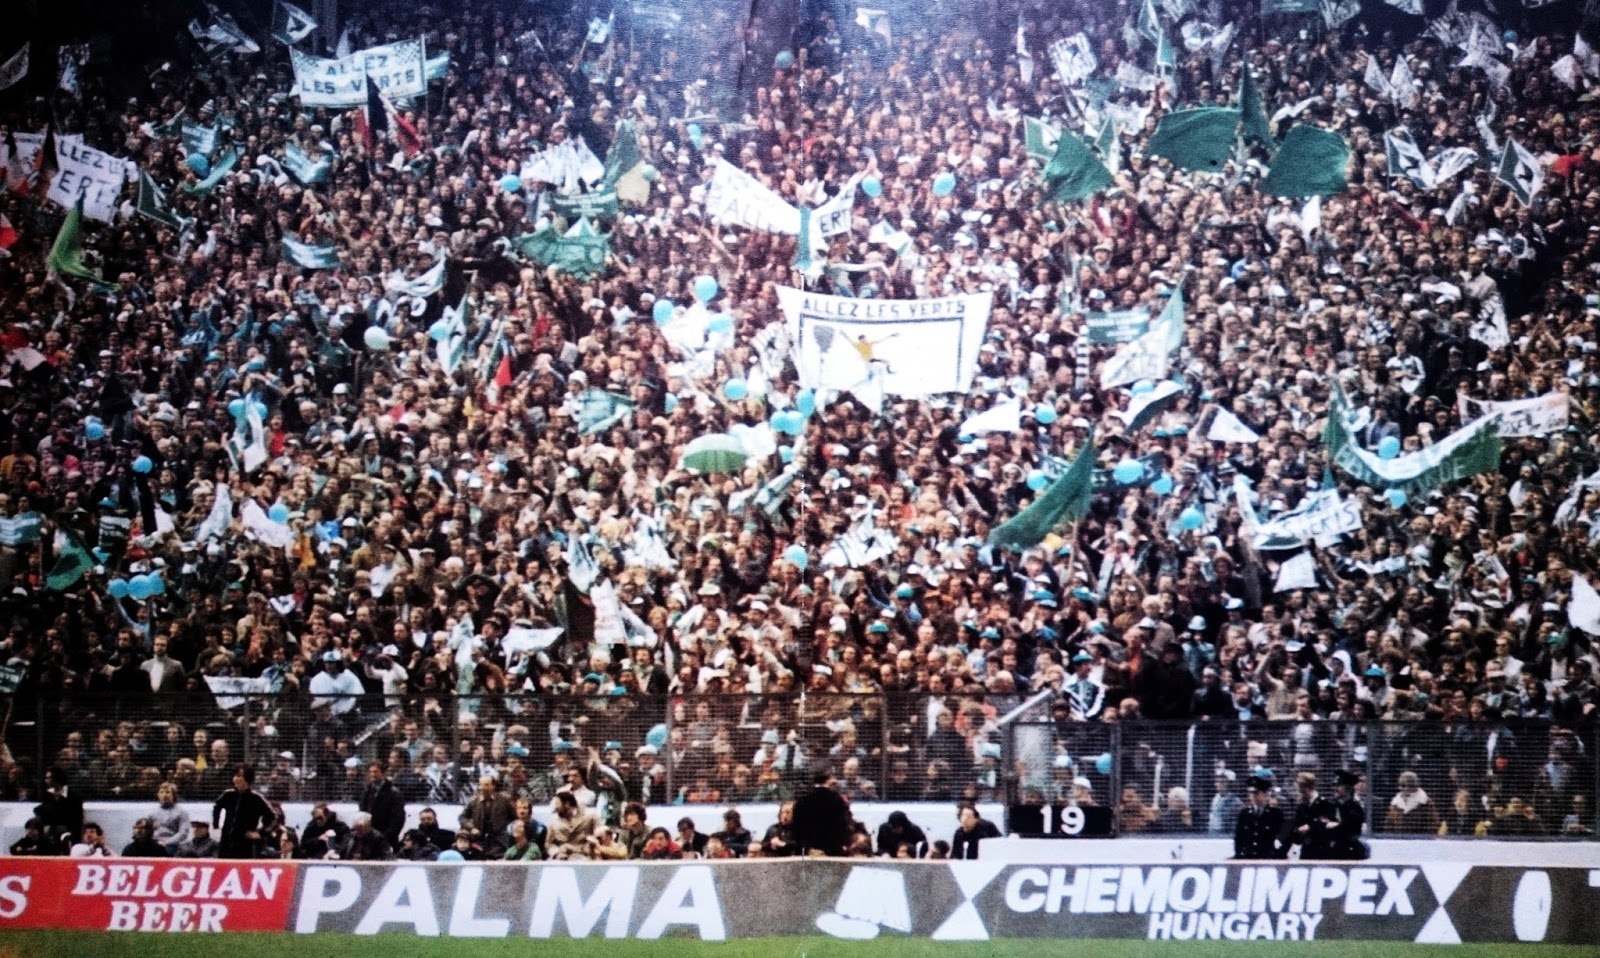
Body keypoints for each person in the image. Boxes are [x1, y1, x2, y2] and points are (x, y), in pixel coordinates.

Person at [212, 764, 276, 860]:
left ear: (247, 778)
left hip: (245, 844)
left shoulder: (256, 798)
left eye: (239, 776)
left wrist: (261, 833)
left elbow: (273, 817)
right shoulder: (228, 795)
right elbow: (216, 808)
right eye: (235, 776)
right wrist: (216, 826)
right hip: (226, 842)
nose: (235, 779)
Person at [790, 770, 851, 856]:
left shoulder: (802, 800)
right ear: (828, 778)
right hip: (831, 852)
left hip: (807, 853)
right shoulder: (836, 800)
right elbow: (842, 827)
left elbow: (796, 830)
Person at [1290, 771, 1341, 860]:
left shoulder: (1325, 803)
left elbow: (1330, 824)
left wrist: (1310, 826)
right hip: (1306, 850)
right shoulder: (1301, 806)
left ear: (1309, 788)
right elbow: (1297, 826)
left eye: (1302, 790)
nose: (1300, 793)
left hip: (1322, 849)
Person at [1233, 776, 1286, 860]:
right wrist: (1239, 855)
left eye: (1256, 792)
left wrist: (1278, 855)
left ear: (1265, 794)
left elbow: (1282, 837)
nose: (1252, 795)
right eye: (1250, 792)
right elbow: (1238, 839)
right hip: (1248, 858)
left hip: (1267, 858)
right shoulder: (1244, 814)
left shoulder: (1275, 814)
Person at [359, 761, 407, 847]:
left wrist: (385, 836)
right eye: (370, 772)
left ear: (383, 773)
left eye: (375, 772)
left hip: (386, 839)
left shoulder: (394, 793)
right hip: (368, 838)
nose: (372, 774)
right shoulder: (366, 792)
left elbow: (398, 819)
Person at [546, 790, 602, 860]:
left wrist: (590, 846)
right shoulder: (553, 821)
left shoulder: (589, 816)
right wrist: (556, 853)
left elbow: (600, 835)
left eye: (557, 804)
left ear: (567, 804)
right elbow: (549, 844)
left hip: (585, 854)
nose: (556, 807)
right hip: (563, 855)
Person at [1330, 769, 1369, 860]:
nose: (1335, 788)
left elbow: (1351, 829)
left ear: (1348, 788)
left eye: (1339, 786)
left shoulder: (1354, 807)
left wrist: (1335, 826)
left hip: (1350, 849)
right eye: (1334, 785)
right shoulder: (1331, 804)